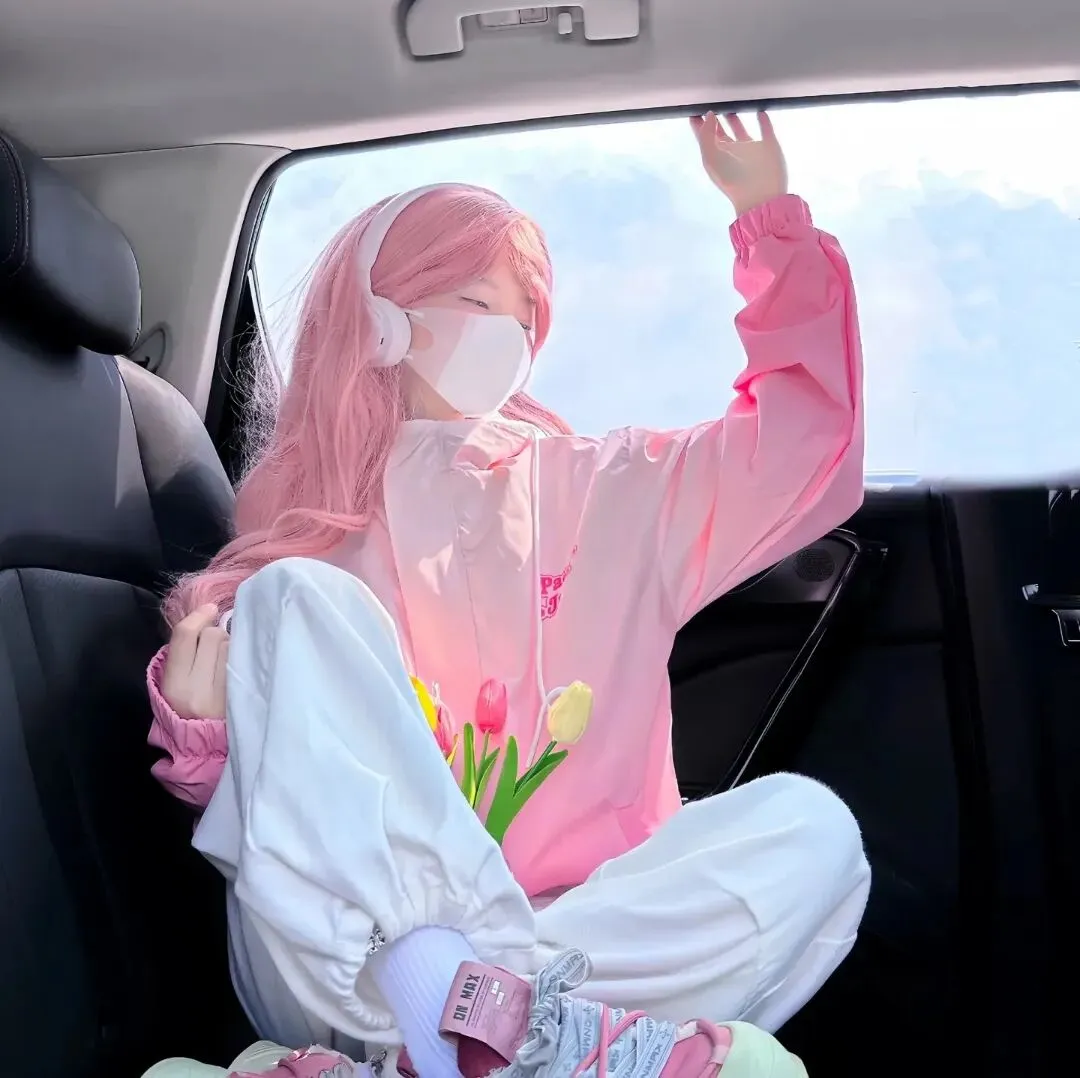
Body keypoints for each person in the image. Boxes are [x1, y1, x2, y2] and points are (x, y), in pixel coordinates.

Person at [144, 112, 869, 1078]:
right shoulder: (296, 529)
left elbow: (799, 449)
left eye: (526, 317)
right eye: (477, 301)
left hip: (574, 942)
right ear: (379, 316)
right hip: (350, 969)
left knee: (814, 835)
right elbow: (275, 807)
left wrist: (768, 226)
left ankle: (477, 1040)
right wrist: (202, 737)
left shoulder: (609, 488)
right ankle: (486, 1025)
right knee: (295, 602)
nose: (512, 336)